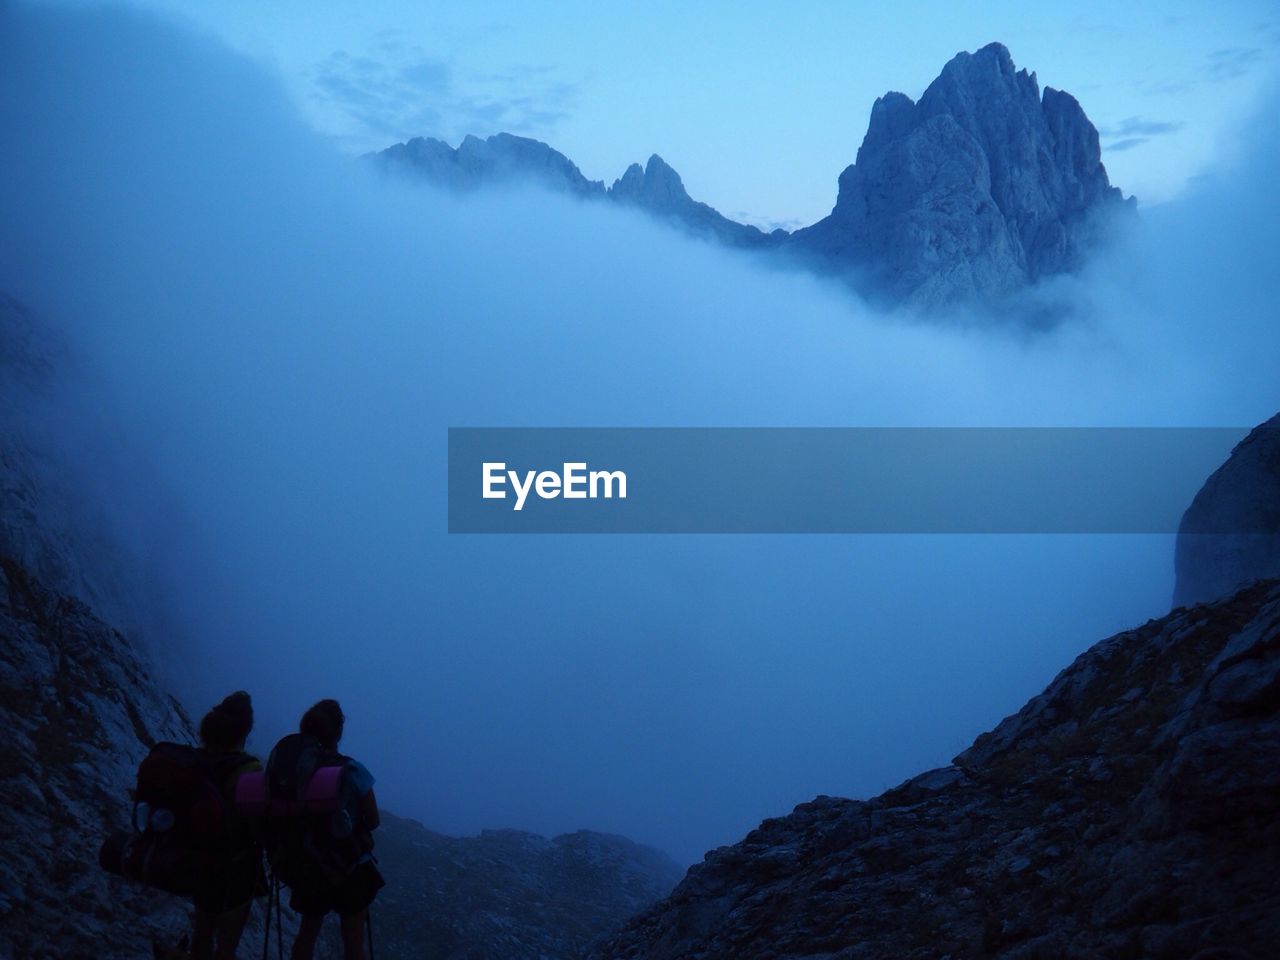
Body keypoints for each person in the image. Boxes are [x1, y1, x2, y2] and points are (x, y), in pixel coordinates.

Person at [272, 699, 384, 960]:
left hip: (308, 865)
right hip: (351, 864)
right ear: (337, 733)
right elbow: (374, 820)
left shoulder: (292, 771)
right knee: (353, 940)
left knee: (307, 932)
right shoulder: (352, 769)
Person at [191, 691, 264, 960]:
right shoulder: (249, 769)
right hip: (236, 867)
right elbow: (255, 824)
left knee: (202, 934)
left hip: (199, 858)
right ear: (246, 729)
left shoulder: (196, 761)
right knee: (226, 946)